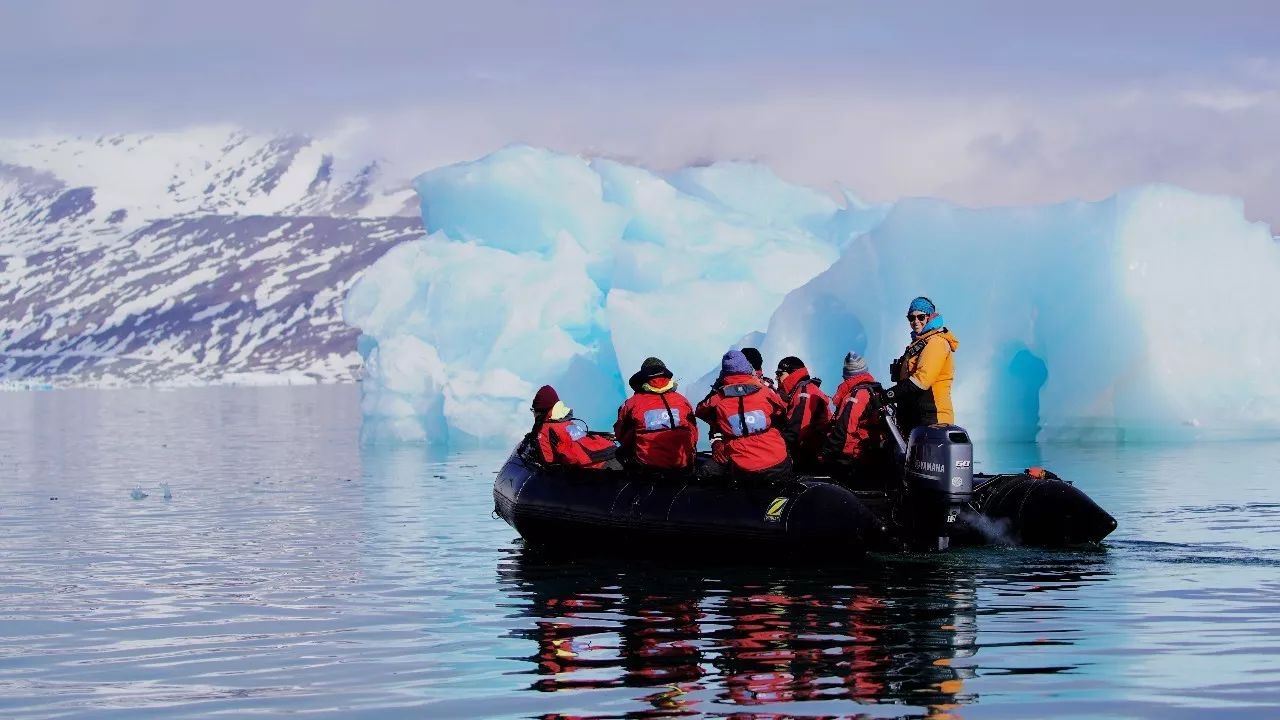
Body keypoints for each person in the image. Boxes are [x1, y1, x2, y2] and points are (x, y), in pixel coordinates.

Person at [695, 350, 791, 480]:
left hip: (743, 462)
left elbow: (703, 411)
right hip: (776, 457)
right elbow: (783, 410)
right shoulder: (767, 391)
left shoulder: (718, 398)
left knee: (705, 473)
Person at [883, 296, 960, 432]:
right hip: (918, 417)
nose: (916, 322)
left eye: (921, 317)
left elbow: (922, 380)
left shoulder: (936, 342)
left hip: (933, 419)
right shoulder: (918, 344)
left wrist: (888, 395)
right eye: (911, 318)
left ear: (930, 317)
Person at [614, 357, 698, 471]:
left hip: (648, 469)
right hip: (683, 466)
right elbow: (693, 433)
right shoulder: (682, 401)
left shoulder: (632, 404)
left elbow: (621, 435)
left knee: (619, 453)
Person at [820, 352, 891, 485]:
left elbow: (844, 430)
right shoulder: (873, 390)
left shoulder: (856, 396)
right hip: (868, 452)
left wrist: (826, 454)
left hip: (851, 456)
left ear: (847, 375)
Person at [528, 385, 617, 468]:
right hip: (611, 454)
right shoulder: (566, 422)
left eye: (534, 411)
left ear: (541, 411)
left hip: (597, 469)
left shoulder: (545, 429)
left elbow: (548, 461)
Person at [774, 356, 831, 470]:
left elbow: (796, 430)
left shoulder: (804, 394)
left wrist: (773, 448)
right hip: (809, 449)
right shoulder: (801, 389)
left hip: (810, 455)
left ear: (792, 373)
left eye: (780, 374)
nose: (777, 378)